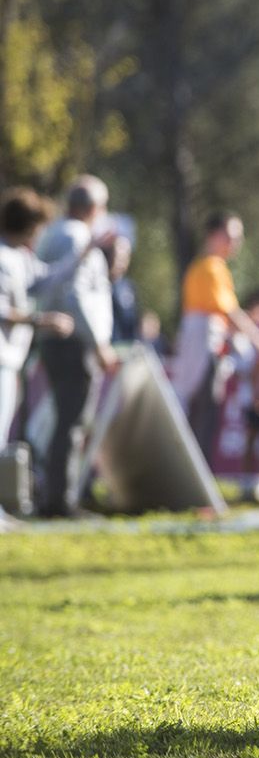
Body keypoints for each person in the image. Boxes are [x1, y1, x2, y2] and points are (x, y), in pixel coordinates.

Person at [32, 177, 119, 519]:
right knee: (73, 421)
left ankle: (56, 495)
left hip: (53, 338)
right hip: (73, 341)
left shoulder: (52, 232)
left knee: (65, 420)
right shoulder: (77, 237)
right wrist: (97, 342)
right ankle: (60, 500)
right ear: (93, 208)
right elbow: (77, 294)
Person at [171, 212, 259, 459]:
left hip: (205, 344)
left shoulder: (209, 267)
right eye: (232, 236)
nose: (237, 243)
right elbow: (229, 313)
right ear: (215, 235)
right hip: (203, 347)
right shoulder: (210, 267)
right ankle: (196, 475)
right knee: (202, 412)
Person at [0, 189, 76, 447]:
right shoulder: (3, 258)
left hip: (10, 361)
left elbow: (46, 279)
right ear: (30, 226)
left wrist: (85, 252)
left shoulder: (20, 257)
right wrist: (43, 320)